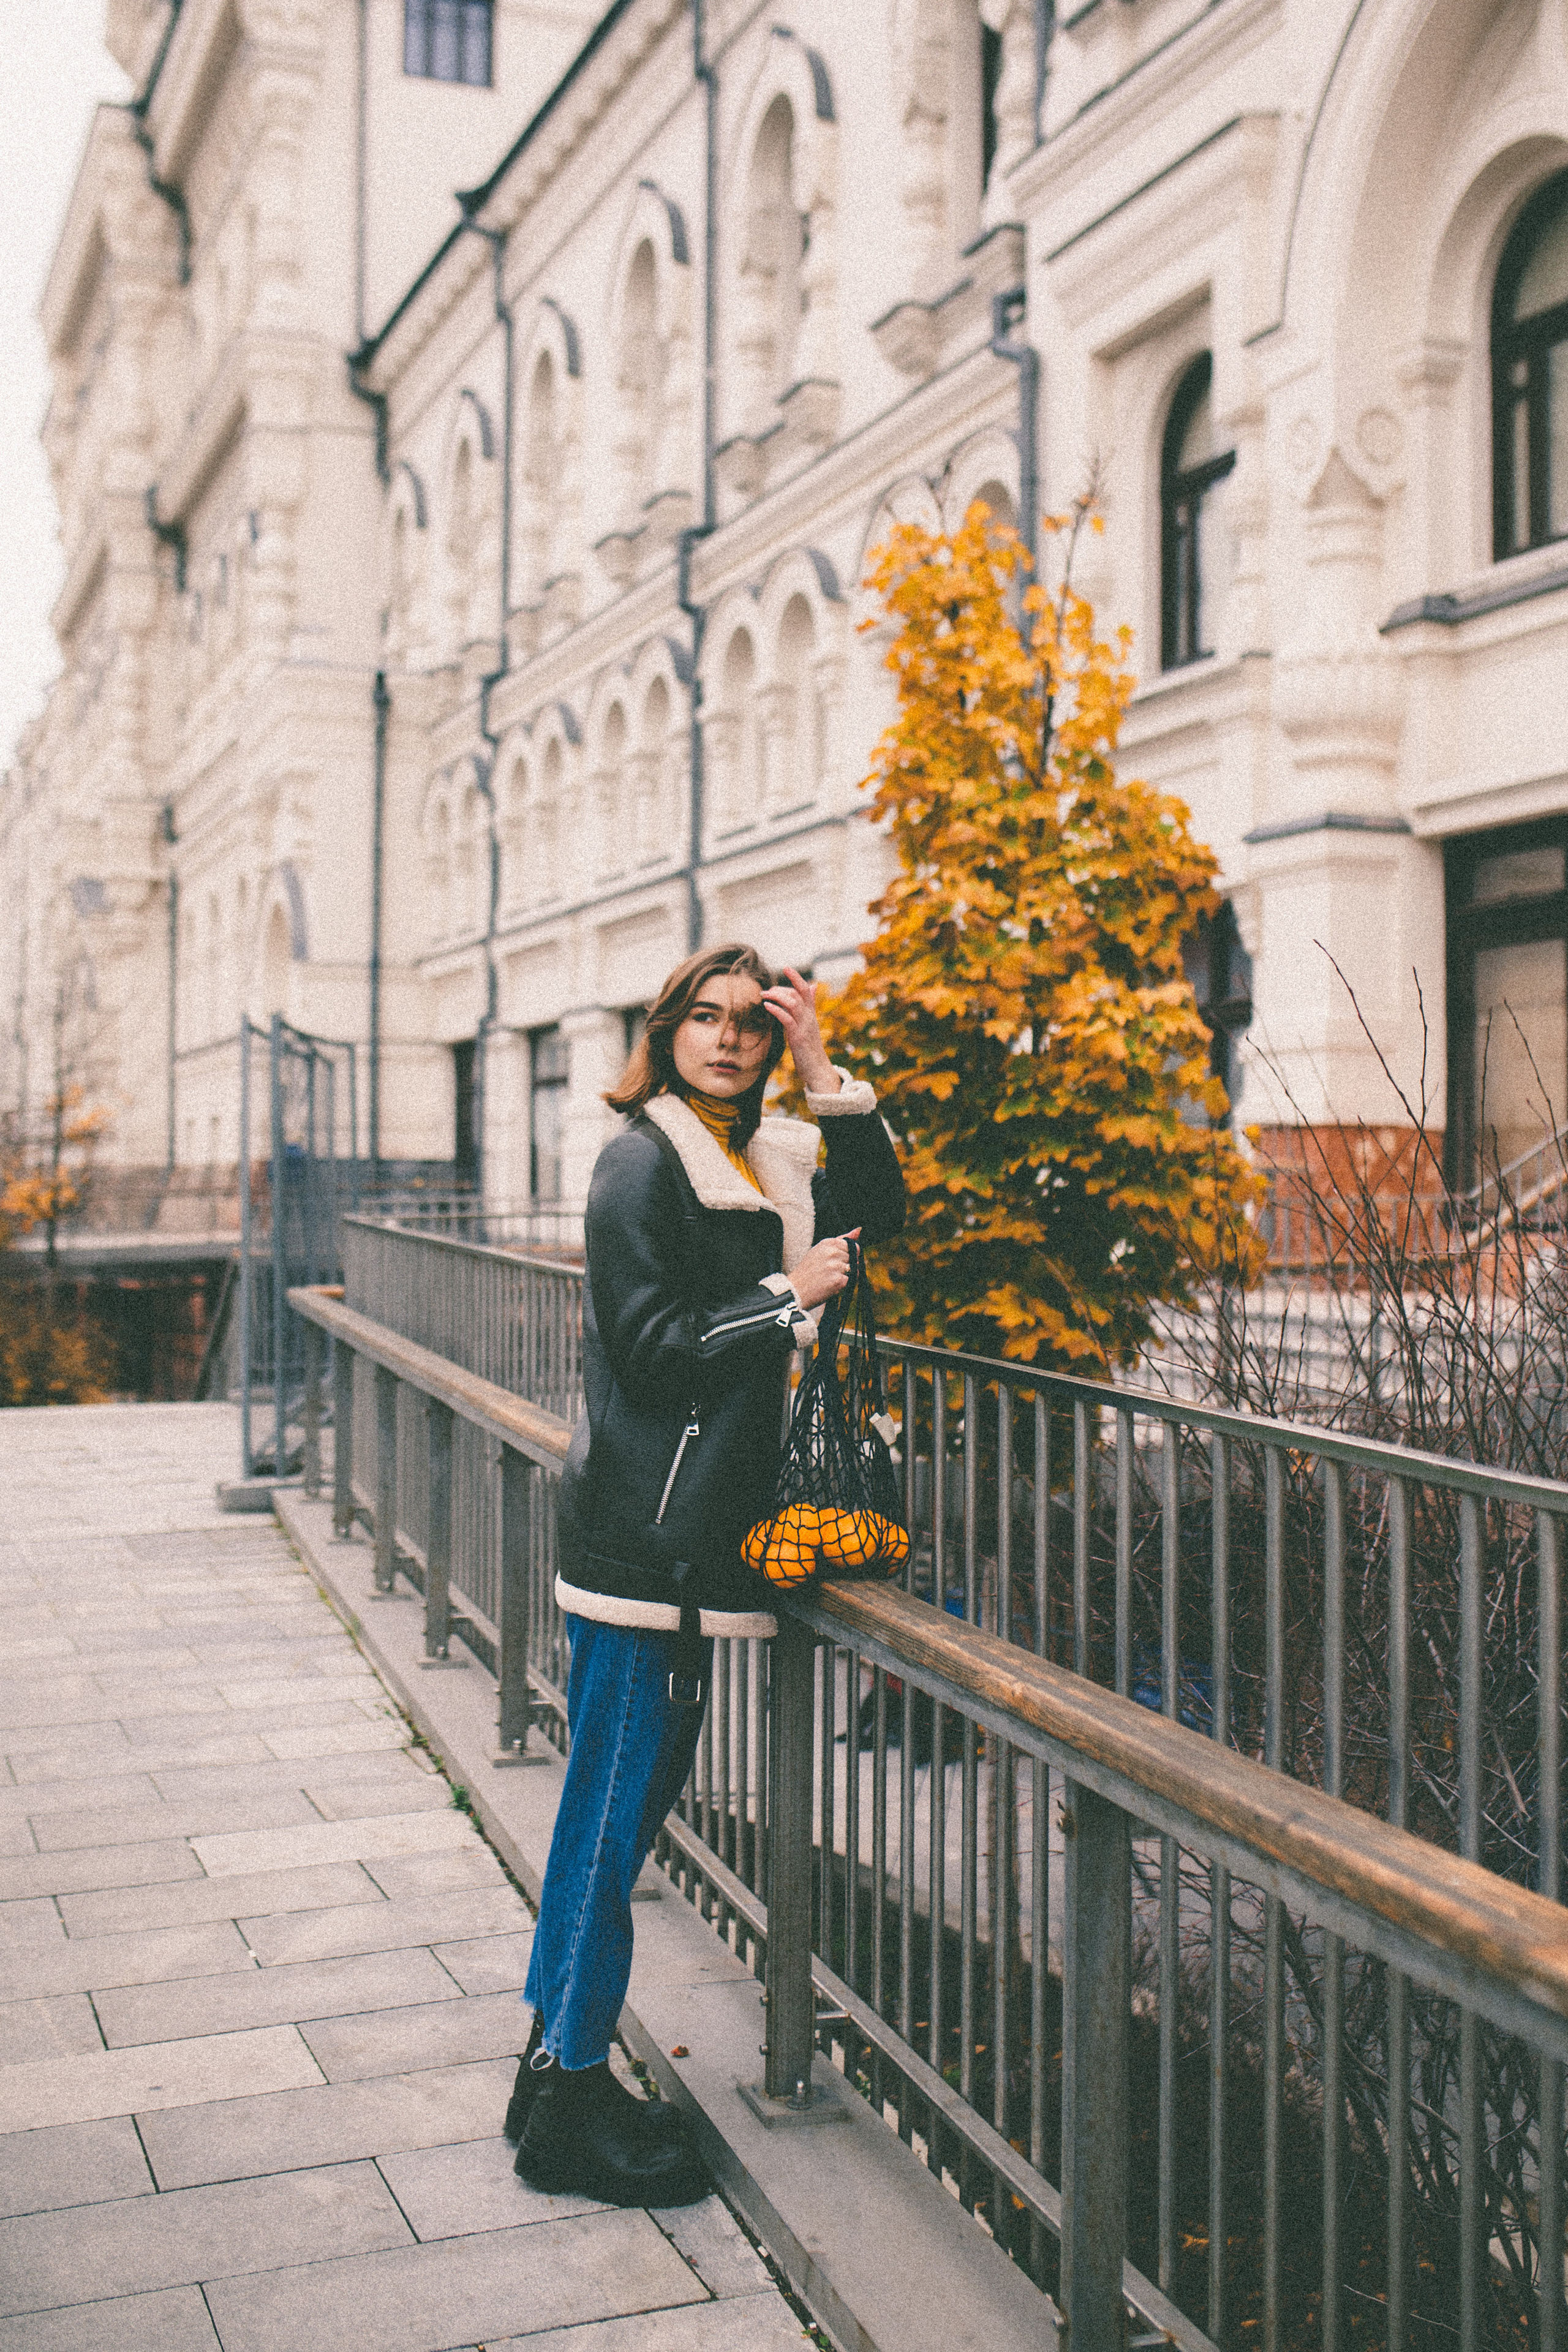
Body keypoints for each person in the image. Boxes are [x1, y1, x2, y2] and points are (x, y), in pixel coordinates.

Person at [505, 943, 905, 2205]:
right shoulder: (640, 1163)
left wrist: (825, 1063)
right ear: (664, 1030)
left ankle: (546, 2071)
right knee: (606, 1827)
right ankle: (567, 2095)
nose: (729, 1039)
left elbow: (882, 1215)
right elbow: (655, 1350)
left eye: (751, 1023)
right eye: (706, 1018)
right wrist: (788, 1297)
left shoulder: (767, 1153)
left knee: (608, 1821)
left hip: (698, 1544)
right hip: (646, 1543)